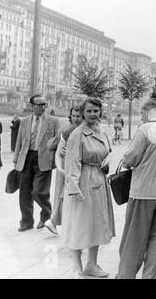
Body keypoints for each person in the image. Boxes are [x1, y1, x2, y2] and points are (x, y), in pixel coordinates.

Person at [117, 98, 156, 279]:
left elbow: (130, 160)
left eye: (142, 113)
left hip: (143, 193)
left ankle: (125, 276)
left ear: (149, 112)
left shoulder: (144, 130)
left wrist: (125, 159)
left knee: (134, 240)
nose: (141, 117)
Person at [61, 98, 115, 279]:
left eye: (96, 111)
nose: (93, 114)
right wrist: (74, 187)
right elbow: (72, 162)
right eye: (89, 111)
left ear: (101, 112)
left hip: (99, 180)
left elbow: (108, 153)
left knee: (96, 225)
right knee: (78, 224)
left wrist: (106, 164)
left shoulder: (102, 131)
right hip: (83, 182)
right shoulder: (77, 134)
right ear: (83, 113)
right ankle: (77, 267)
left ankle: (92, 264)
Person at [13, 94, 60, 232]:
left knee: (39, 191)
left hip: (44, 159)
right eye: (39, 104)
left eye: (44, 104)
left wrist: (55, 160)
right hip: (26, 158)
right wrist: (16, 159)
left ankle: (46, 215)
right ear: (32, 106)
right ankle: (26, 222)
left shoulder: (53, 121)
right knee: (25, 192)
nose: (43, 107)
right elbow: (19, 141)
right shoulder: (25, 121)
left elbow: (58, 141)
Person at [44, 105, 83, 235]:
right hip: (66, 167)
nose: (76, 119)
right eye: (73, 116)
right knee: (64, 194)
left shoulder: (70, 129)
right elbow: (56, 148)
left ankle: (56, 220)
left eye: (78, 116)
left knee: (63, 194)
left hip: (68, 166)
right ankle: (55, 220)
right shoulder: (68, 130)